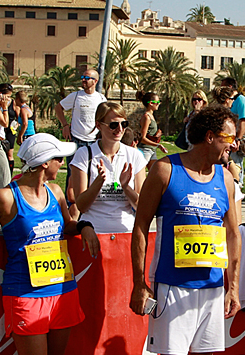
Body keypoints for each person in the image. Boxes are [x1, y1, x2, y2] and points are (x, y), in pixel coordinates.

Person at [0, 133, 100, 355]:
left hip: (63, 291)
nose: (61, 163)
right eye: (59, 159)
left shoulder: (55, 192)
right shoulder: (5, 198)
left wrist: (84, 226)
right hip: (25, 294)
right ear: (44, 163)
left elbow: (67, 225)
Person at [129, 105, 241, 355]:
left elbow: (233, 234)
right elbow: (140, 226)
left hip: (212, 286)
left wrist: (233, 287)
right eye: (229, 137)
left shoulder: (226, 178)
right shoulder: (165, 170)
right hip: (172, 284)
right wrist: (140, 283)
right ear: (209, 137)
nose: (234, 144)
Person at [70, 102, 147, 233]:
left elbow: (142, 206)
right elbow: (81, 206)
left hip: (127, 232)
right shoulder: (84, 155)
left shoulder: (134, 156)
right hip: (94, 232)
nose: (120, 129)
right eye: (113, 125)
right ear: (99, 125)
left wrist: (126, 187)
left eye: (124, 124)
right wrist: (99, 181)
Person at [55, 69, 107, 200]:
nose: (83, 80)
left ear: (95, 81)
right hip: (76, 140)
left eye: (87, 78)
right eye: (82, 77)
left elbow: (105, 117)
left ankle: (90, 200)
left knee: (93, 172)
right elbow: (58, 108)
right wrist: (65, 125)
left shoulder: (101, 98)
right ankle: (70, 203)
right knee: (72, 173)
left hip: (94, 142)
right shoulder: (76, 96)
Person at [221, 78, 245, 186]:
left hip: (237, 138)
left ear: (229, 87)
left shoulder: (241, 100)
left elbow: (243, 121)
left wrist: (237, 139)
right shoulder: (230, 101)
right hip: (229, 138)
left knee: (236, 165)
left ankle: (237, 185)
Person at [137, 91, 168, 169]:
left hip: (151, 150)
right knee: (139, 173)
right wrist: (158, 145)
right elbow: (142, 138)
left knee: (154, 172)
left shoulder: (151, 116)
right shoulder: (146, 117)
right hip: (145, 150)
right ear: (151, 103)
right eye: (157, 102)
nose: (158, 104)